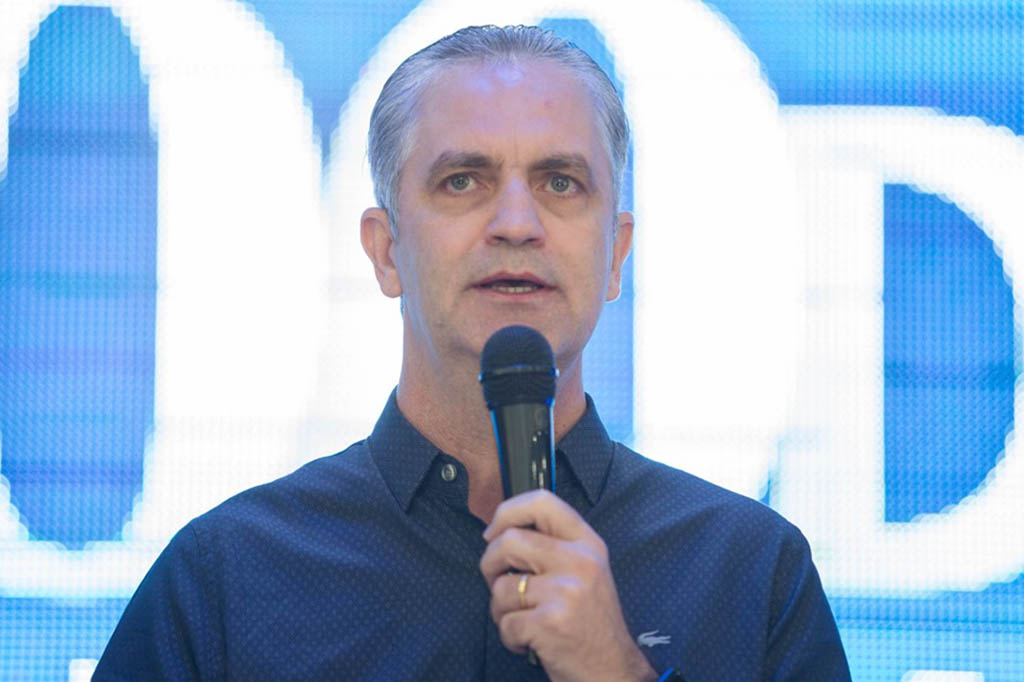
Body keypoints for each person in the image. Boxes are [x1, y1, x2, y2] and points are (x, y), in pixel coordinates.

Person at [95, 25, 850, 681]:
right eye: (463, 181)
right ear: (385, 251)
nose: (516, 222)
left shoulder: (750, 574)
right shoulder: (228, 581)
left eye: (561, 183)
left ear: (616, 256)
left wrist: (615, 671)